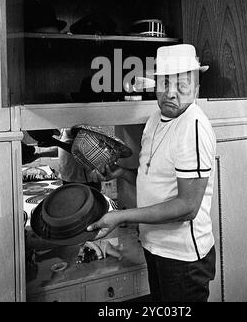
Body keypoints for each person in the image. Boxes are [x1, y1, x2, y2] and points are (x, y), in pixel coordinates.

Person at [87, 44, 217, 302]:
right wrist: (122, 172)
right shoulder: (155, 119)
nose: (170, 93)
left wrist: (120, 216)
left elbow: (187, 207)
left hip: (183, 258)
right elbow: (155, 180)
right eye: (164, 83)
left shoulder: (193, 127)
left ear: (196, 89)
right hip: (155, 246)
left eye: (181, 85)